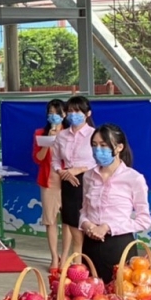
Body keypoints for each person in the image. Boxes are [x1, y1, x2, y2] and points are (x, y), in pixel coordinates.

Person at [79, 124, 151, 283]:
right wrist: (87, 225)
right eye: (94, 145)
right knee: (90, 292)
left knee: (120, 292)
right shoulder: (88, 176)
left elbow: (144, 220)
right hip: (90, 245)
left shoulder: (134, 178)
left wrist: (108, 227)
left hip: (119, 246)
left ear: (119, 147)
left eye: (103, 145)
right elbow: (84, 210)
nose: (98, 150)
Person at [52, 95, 96, 271]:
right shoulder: (62, 135)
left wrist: (80, 169)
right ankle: (78, 269)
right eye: (70, 111)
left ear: (87, 113)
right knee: (73, 225)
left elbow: (99, 160)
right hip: (68, 182)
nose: (73, 115)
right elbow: (55, 160)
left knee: (88, 224)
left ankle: (91, 266)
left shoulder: (94, 134)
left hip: (89, 181)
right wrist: (62, 171)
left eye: (78, 111)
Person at [33, 99, 67, 272]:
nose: (54, 116)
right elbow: (38, 159)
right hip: (49, 182)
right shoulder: (40, 133)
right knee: (50, 221)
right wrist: (48, 141)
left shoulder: (70, 133)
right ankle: (54, 257)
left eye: (57, 113)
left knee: (68, 222)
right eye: (50, 113)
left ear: (64, 114)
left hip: (68, 182)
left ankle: (66, 257)